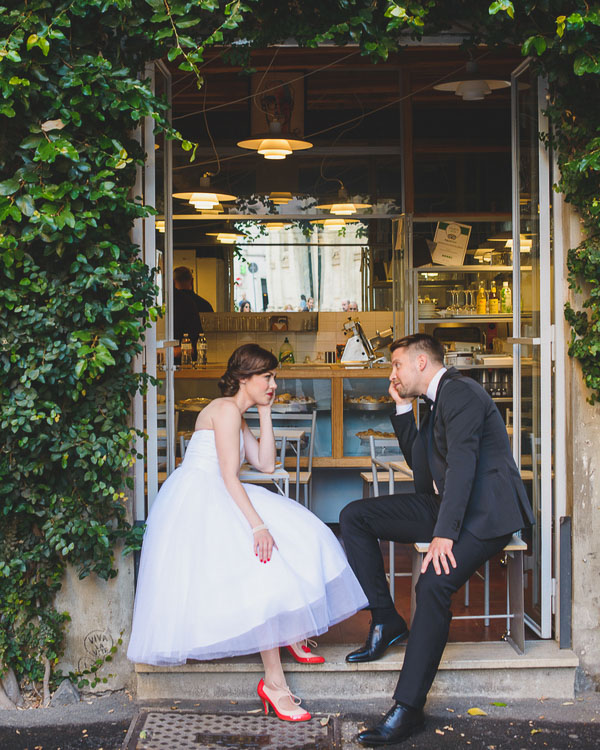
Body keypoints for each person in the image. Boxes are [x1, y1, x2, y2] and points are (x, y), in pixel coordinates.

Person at [128, 344, 368, 721]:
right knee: (263, 563)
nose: (273, 384)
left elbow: (267, 464)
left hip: (221, 492)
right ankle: (274, 682)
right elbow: (227, 476)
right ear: (244, 379)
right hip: (204, 499)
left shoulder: (237, 415)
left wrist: (266, 412)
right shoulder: (224, 411)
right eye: (267, 377)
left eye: (274, 377)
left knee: (304, 534)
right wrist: (257, 525)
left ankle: (289, 634)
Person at [340, 333, 534, 747]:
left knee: (432, 584)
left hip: (485, 514)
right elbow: (422, 468)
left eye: (396, 365)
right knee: (354, 517)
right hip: (447, 505)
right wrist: (400, 408)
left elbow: (463, 465)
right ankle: (386, 619)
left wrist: (444, 534)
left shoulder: (460, 393)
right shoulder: (433, 401)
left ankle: (408, 709)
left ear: (421, 363)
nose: (392, 373)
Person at [173, 266, 213, 362]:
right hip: (194, 359)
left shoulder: (169, 304)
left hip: (172, 360)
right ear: (192, 281)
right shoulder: (204, 304)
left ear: (173, 282)